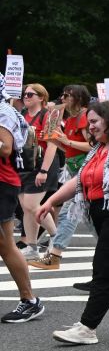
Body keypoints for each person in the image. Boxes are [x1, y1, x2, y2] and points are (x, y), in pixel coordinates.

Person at [36, 102, 109, 343]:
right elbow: (79, 180)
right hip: (103, 214)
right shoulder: (99, 149)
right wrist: (51, 201)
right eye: (89, 122)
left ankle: (87, 327)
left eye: (94, 122)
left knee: (105, 269)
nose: (89, 127)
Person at [28, 85, 91, 273]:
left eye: (67, 95)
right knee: (87, 216)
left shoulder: (84, 117)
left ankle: (54, 256)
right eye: (62, 95)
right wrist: (56, 141)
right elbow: (70, 149)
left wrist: (65, 141)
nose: (62, 99)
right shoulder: (71, 119)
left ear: (78, 98)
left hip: (83, 169)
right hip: (74, 169)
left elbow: (91, 146)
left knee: (68, 213)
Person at [1, 100, 44, 323]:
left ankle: (29, 300)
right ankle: (29, 300)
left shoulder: (3, 112)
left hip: (2, 183)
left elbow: (5, 147)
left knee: (6, 245)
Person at [16, 83, 58, 257]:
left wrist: (44, 171)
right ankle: (32, 247)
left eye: (30, 94)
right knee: (26, 208)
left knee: (32, 206)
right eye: (24, 94)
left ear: (41, 97)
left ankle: (57, 237)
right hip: (24, 165)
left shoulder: (50, 116)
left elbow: (52, 145)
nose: (26, 97)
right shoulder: (21, 115)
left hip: (42, 164)